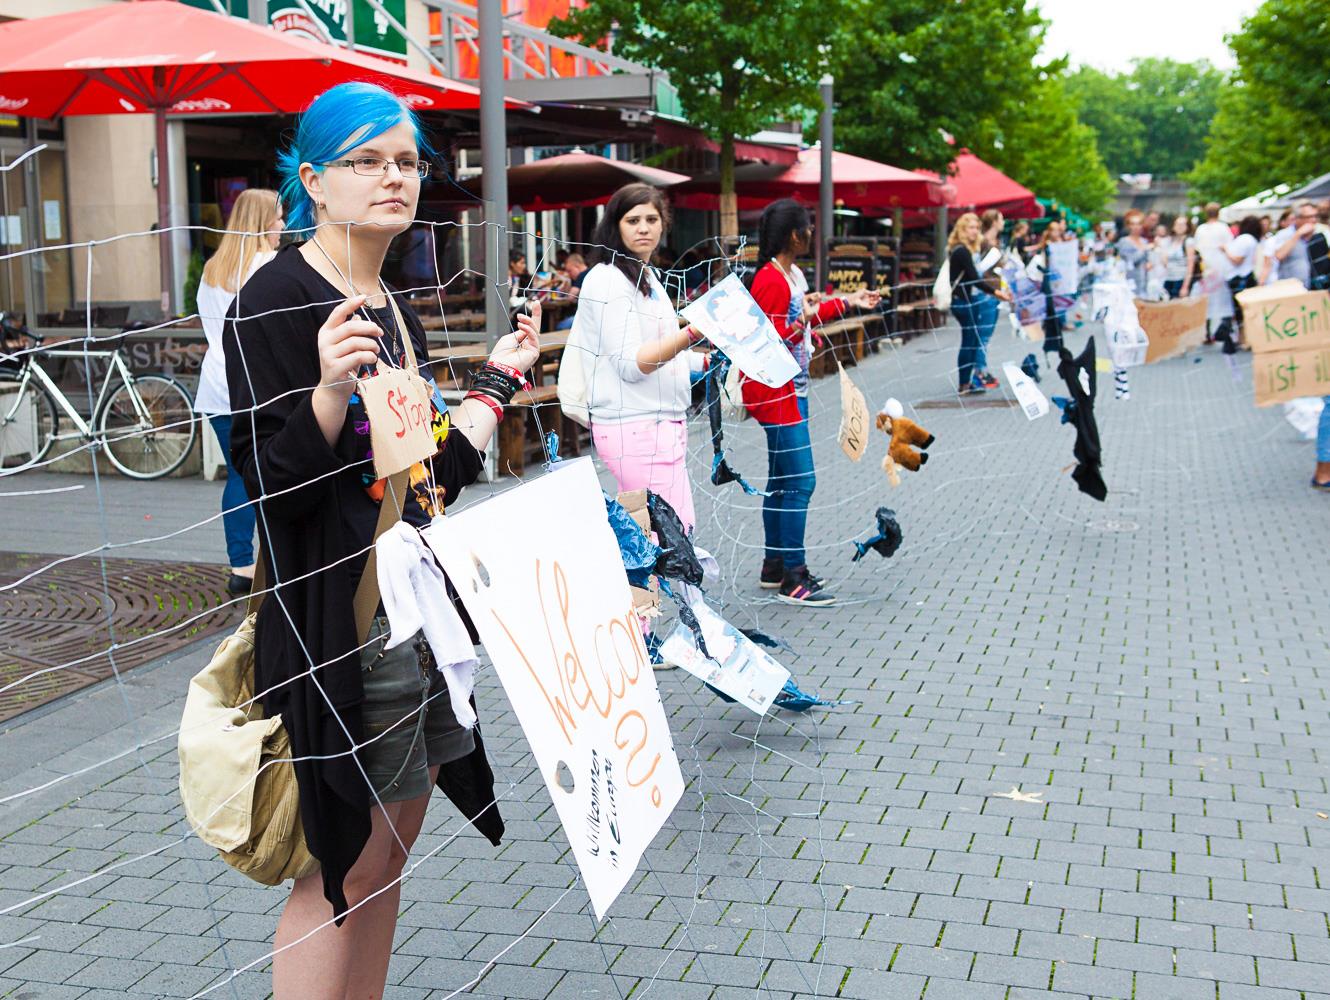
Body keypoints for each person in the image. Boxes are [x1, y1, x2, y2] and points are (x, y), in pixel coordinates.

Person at [224, 81, 540, 1000]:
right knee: (338, 871)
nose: (393, 178)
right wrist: (326, 391)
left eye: (405, 162)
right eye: (366, 162)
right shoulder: (275, 298)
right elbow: (272, 492)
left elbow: (422, 474)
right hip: (338, 626)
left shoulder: (386, 297)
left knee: (390, 855)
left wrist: (493, 384)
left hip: (414, 613)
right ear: (312, 181)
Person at [743, 198, 879, 605]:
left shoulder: (791, 274)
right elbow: (765, 338)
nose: (811, 234)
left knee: (782, 483)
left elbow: (801, 316)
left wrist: (851, 303)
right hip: (776, 393)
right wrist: (801, 325)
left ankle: (774, 565)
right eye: (808, 227)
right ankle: (793, 576)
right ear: (794, 235)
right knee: (801, 481)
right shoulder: (770, 279)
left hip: (792, 390)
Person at [578, 183, 704, 530]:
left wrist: (706, 361)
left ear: (664, 223)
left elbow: (662, 351)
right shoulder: (608, 280)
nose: (644, 227)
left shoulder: (645, 275)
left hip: (658, 422)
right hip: (635, 426)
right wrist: (693, 332)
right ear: (615, 226)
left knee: (652, 536)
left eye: (652, 218)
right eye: (633, 220)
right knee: (672, 535)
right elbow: (632, 364)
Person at [193, 188, 282, 596]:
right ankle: (277, 560)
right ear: (263, 220)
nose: (283, 225)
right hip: (257, 382)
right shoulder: (268, 265)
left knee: (238, 473)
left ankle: (241, 565)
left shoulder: (214, 267)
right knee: (269, 472)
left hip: (215, 383)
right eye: (278, 217)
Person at [947, 212, 1008, 394]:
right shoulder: (961, 251)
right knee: (969, 341)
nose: (974, 232)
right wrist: (996, 292)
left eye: (976, 228)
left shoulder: (967, 250)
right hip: (963, 302)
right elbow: (974, 278)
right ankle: (964, 383)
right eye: (970, 228)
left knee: (972, 341)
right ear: (962, 230)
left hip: (968, 300)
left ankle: (967, 382)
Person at [1193, 203, 1235, 345]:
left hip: (1206, 268)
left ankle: (1206, 331)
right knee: (1223, 298)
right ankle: (1225, 327)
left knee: (1207, 298)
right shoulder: (1223, 228)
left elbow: (1197, 249)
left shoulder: (1201, 229)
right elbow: (1230, 246)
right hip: (1221, 267)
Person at [972, 209, 1005, 388]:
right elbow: (978, 268)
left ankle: (981, 369)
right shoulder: (984, 242)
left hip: (993, 292)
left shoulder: (992, 242)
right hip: (985, 293)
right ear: (994, 222)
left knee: (985, 334)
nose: (1004, 222)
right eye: (1001, 219)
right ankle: (979, 372)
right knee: (983, 334)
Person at [1269, 202, 1316, 289]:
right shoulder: (1285, 234)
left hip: (1316, 285)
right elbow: (1279, 255)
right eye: (1309, 217)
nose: (1313, 220)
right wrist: (1298, 234)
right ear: (1297, 218)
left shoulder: (1319, 232)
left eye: (1314, 216)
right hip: (1292, 287)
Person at [1116, 209, 1152, 297]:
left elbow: (1148, 259)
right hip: (1130, 284)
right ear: (1128, 226)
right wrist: (1143, 249)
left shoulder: (1144, 241)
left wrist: (1149, 263)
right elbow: (1130, 260)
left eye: (1139, 224)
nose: (1136, 227)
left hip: (1144, 283)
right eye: (1133, 224)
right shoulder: (1124, 241)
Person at [1160, 215, 1195, 300]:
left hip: (1180, 279)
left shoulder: (1188, 241)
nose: (1179, 227)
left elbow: (1190, 266)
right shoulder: (1170, 241)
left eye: (1183, 224)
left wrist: (1185, 287)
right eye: (1177, 224)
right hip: (1168, 279)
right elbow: (1165, 262)